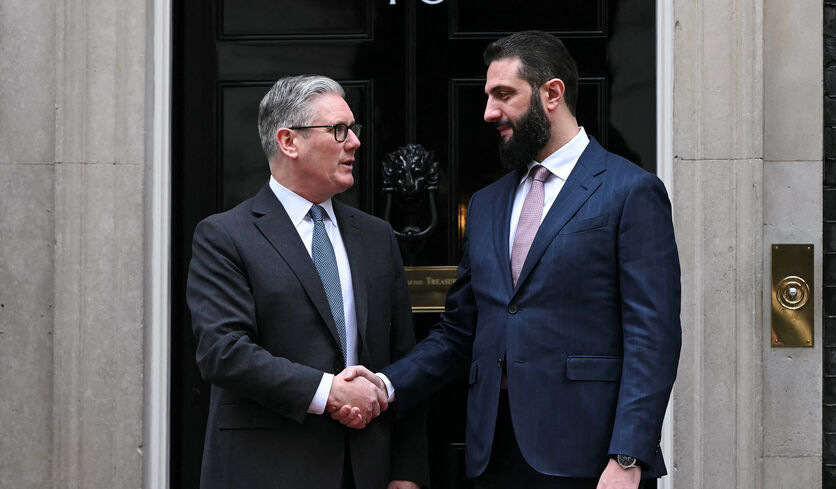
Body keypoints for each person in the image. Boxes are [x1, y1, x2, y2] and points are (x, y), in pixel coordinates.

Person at [338, 30, 682, 489]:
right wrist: (385, 385)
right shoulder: (487, 204)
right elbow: (460, 329)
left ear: (552, 93)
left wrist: (628, 456)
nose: (488, 113)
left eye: (504, 95)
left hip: (592, 458)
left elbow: (653, 336)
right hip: (493, 452)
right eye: (487, 96)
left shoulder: (630, 191)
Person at [187, 75, 428, 489]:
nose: (353, 142)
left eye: (353, 129)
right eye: (338, 130)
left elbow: (403, 357)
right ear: (288, 141)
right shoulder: (226, 236)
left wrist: (407, 473)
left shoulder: (375, 236)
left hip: (367, 469)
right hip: (267, 469)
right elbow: (223, 352)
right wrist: (327, 391)